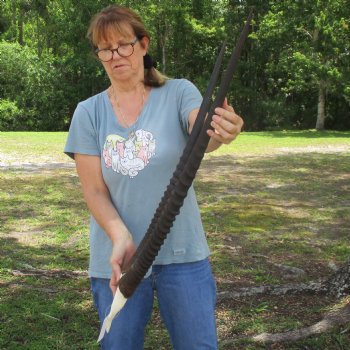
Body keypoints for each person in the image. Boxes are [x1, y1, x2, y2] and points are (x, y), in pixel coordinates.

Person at [64, 4, 243, 350]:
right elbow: (95, 191)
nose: (116, 55)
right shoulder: (88, 113)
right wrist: (120, 236)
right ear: (99, 55)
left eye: (124, 44)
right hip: (118, 261)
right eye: (106, 48)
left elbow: (202, 131)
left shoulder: (179, 92)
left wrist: (221, 129)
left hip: (183, 256)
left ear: (143, 45)